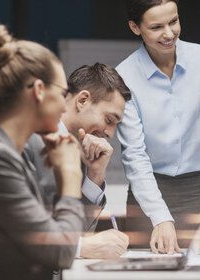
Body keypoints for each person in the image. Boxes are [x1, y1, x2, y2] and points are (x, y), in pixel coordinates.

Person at [116, 0, 200, 253]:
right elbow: (134, 154)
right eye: (157, 27)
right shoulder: (124, 75)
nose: (169, 34)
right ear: (135, 27)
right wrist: (159, 217)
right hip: (148, 194)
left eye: (173, 21)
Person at [0, 23, 84, 279]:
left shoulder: (7, 153)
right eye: (63, 93)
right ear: (39, 91)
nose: (65, 109)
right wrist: (70, 173)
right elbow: (60, 251)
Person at [25, 63, 131, 259]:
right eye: (109, 120)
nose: (110, 133)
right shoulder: (27, 138)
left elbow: (77, 232)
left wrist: (95, 175)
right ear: (82, 100)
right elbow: (13, 228)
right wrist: (80, 247)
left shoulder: (79, 151)